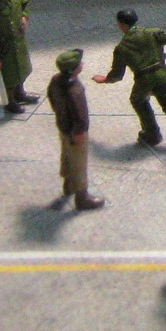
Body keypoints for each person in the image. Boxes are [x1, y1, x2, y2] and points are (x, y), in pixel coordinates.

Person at [91, 9, 166, 150]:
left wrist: (105, 79)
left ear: (121, 24)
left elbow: (117, 74)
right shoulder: (152, 33)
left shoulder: (121, 48)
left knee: (138, 101)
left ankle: (152, 133)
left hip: (143, 79)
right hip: (162, 74)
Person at [46, 49, 104, 211]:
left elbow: (51, 98)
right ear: (73, 69)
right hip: (76, 132)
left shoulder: (56, 80)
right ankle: (82, 197)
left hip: (63, 126)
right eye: (79, 64)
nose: (82, 64)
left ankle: (68, 184)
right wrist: (79, 132)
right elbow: (81, 114)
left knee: (66, 155)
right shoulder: (75, 89)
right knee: (79, 162)